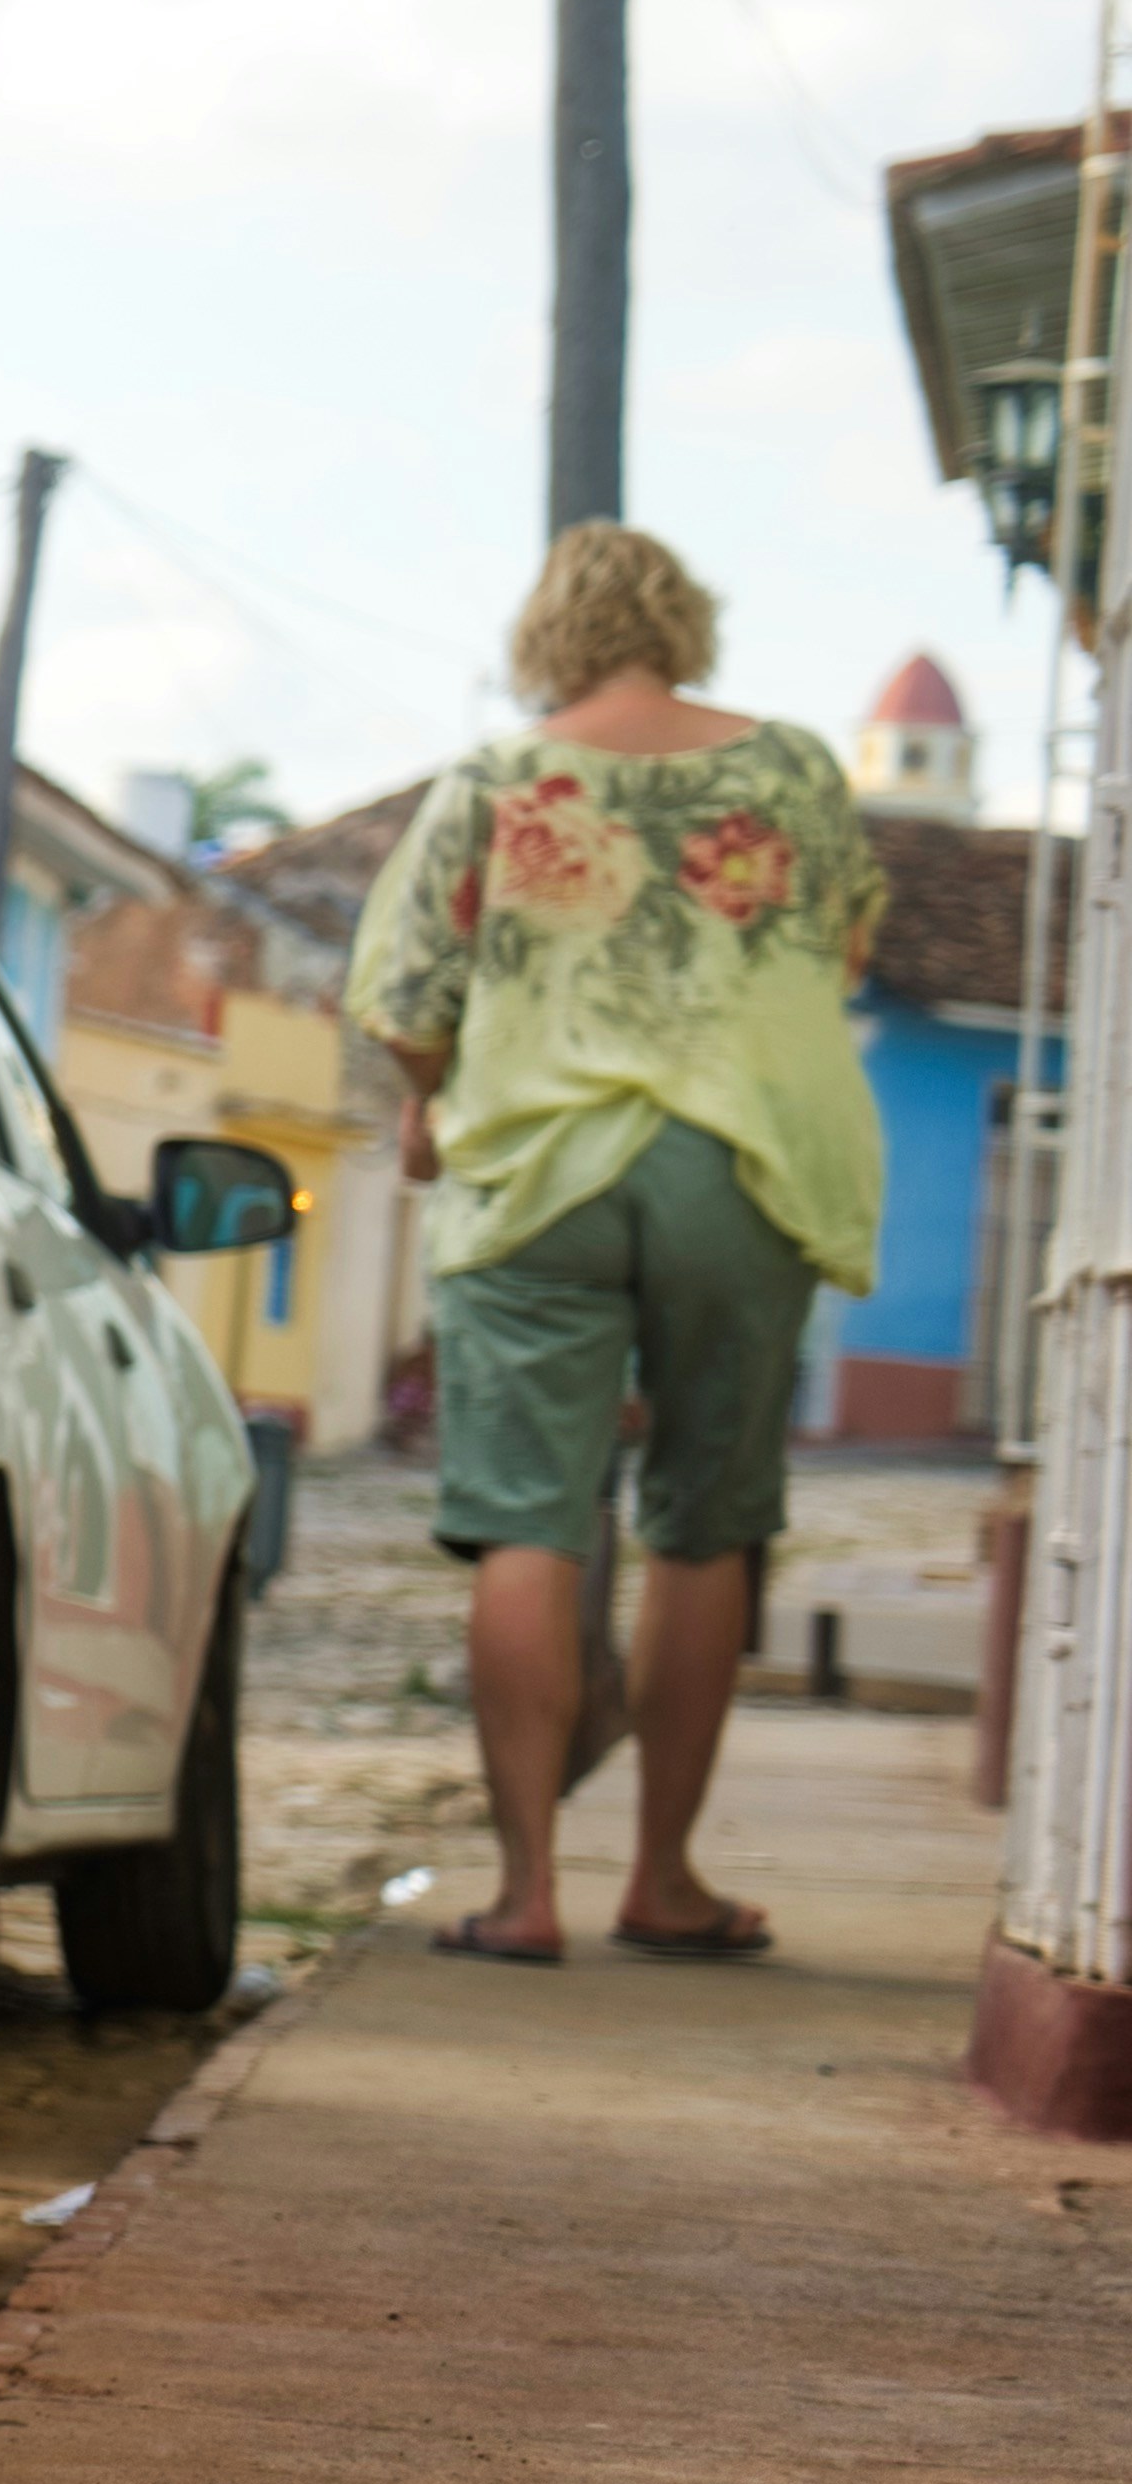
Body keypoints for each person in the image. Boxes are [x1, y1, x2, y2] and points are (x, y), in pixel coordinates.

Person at [345, 520, 881, 1965]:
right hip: (744, 1161)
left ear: (548, 634)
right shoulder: (792, 772)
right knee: (706, 1524)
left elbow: (405, 998)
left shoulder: (497, 780)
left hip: (538, 1172)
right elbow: (844, 952)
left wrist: (424, 1108)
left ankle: (525, 1897)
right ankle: (667, 1879)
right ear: (685, 620)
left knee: (529, 1516)